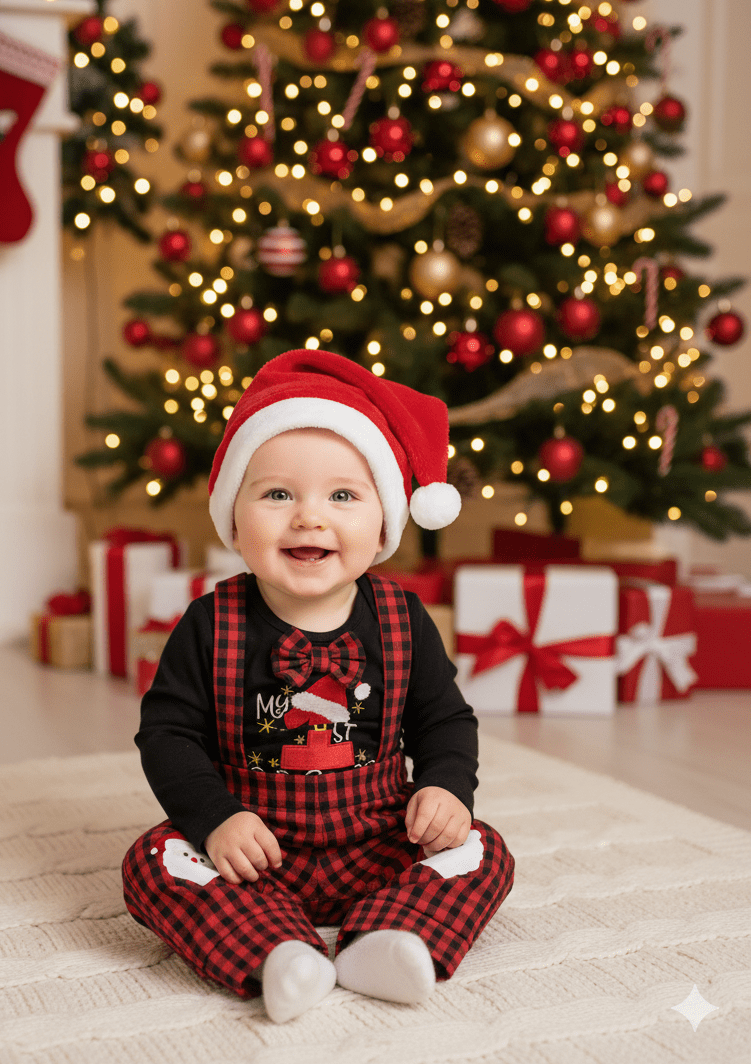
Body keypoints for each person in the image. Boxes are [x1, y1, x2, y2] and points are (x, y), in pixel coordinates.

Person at [123, 349, 514, 1022]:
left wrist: (446, 789)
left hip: (378, 839)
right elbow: (167, 734)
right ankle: (277, 951)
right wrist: (216, 819)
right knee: (153, 861)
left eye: (343, 495)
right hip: (254, 850)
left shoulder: (402, 619)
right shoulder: (210, 622)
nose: (309, 517)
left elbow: (444, 721)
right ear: (234, 519)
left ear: (384, 522)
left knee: (484, 850)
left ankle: (390, 937)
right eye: (277, 493)